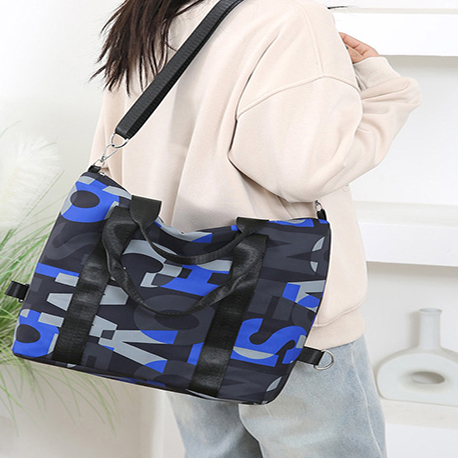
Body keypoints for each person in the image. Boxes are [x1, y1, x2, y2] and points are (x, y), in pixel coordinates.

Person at [89, 0, 423, 456]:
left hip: (169, 305)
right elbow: (305, 172)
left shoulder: (155, 12)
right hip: (283, 313)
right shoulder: (290, 16)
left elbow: (117, 157)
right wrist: (388, 94)